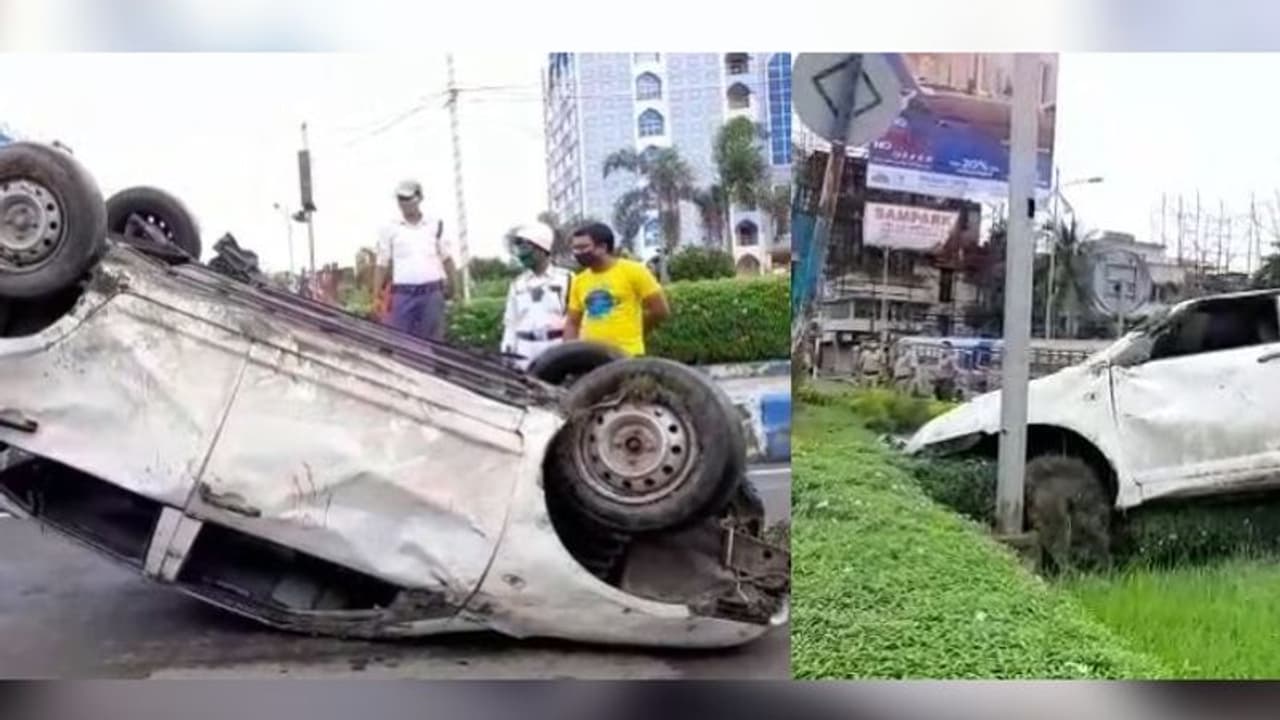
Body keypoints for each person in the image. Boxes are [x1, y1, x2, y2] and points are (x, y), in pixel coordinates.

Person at [564, 222, 669, 356]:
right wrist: (567, 354)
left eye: (583, 247)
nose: (578, 253)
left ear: (602, 247)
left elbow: (659, 310)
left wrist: (636, 331)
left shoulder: (634, 271)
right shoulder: (579, 280)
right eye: (575, 248)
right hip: (590, 357)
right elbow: (572, 323)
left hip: (626, 355)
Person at [373, 179, 458, 341]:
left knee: (435, 343)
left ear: (419, 199)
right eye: (400, 200)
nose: (404, 204)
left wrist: (454, 286)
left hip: (432, 293)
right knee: (402, 344)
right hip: (403, 295)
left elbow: (447, 258)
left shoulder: (435, 224)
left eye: (408, 199)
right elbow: (381, 263)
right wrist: (377, 295)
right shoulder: (389, 228)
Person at [500, 222, 573, 370]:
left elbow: (575, 319)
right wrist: (507, 349)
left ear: (542, 248)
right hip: (524, 348)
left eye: (526, 247)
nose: (521, 253)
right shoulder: (517, 284)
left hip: (556, 345)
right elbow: (511, 322)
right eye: (518, 247)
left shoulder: (566, 279)